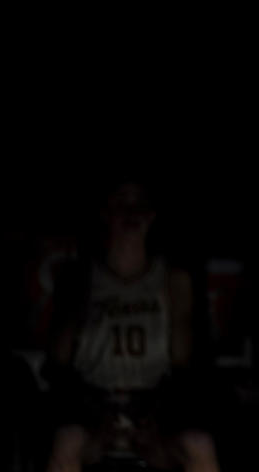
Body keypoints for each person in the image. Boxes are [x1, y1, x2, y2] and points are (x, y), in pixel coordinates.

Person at [44, 179, 220, 472]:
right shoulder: (81, 277)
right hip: (92, 408)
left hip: (153, 409)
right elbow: (58, 362)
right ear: (104, 212)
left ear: (152, 215)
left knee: (198, 445)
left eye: (139, 205)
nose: (131, 213)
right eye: (121, 203)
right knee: (67, 441)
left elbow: (183, 364)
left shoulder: (172, 281)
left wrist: (155, 418)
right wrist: (95, 414)